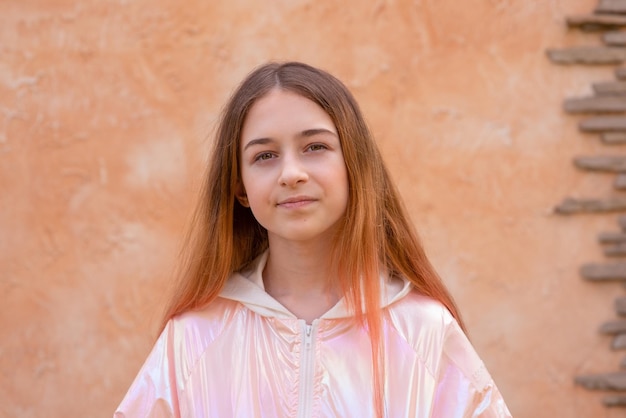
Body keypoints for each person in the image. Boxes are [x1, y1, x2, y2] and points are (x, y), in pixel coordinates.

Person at [114, 61, 511, 417]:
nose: (291, 173)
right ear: (240, 188)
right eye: (264, 156)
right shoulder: (192, 337)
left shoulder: (424, 331)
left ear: (354, 166)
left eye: (315, 147)